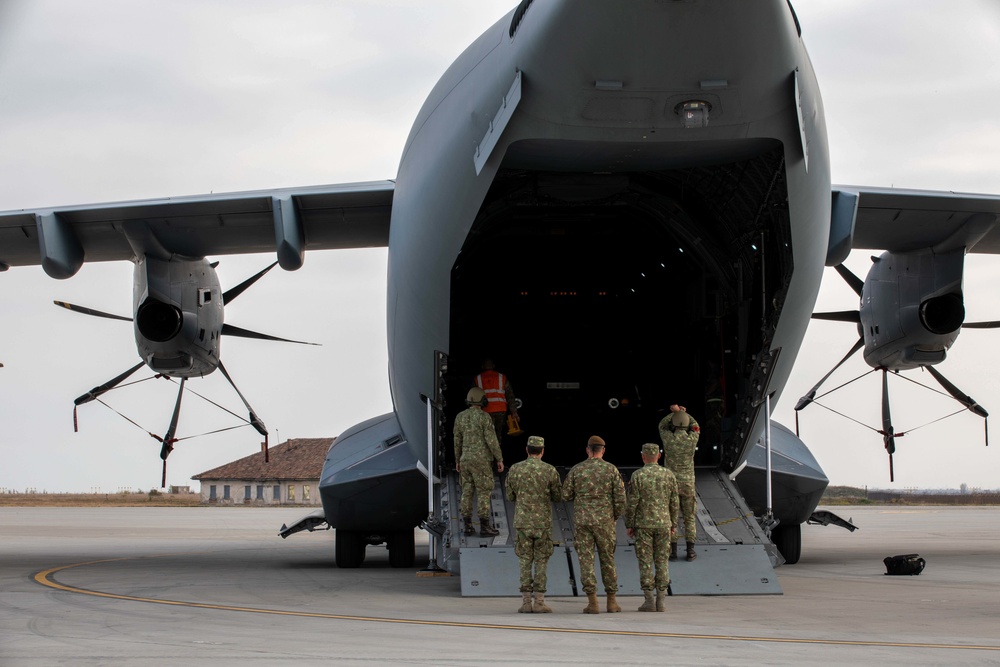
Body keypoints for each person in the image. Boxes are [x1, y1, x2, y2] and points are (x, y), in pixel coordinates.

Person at [562, 435, 627, 614]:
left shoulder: (577, 470)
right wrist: (613, 516)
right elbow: (621, 499)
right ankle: (612, 602)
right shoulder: (611, 470)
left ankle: (592, 603)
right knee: (608, 560)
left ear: (587, 450)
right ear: (603, 451)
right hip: (605, 522)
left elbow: (565, 495)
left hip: (583, 522)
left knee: (586, 561)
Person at [505, 435, 562, 613]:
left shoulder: (515, 469)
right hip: (542, 523)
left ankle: (525, 602)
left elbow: (510, 496)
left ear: (527, 450)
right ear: (542, 451)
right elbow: (557, 496)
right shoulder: (550, 470)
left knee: (524, 561)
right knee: (541, 561)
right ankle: (539, 602)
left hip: (522, 522)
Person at [625, 443, 680, 612]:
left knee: (645, 562)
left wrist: (629, 524)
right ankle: (661, 601)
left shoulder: (638, 476)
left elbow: (632, 503)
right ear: (659, 456)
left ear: (643, 456)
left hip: (643, 525)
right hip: (663, 524)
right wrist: (673, 524)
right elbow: (674, 502)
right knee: (662, 562)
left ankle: (649, 600)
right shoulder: (668, 475)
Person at [454, 387, 504, 536]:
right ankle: (484, 526)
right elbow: (492, 440)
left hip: (465, 459)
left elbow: (457, 440)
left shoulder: (460, 417)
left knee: (467, 492)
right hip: (481, 461)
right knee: (483, 492)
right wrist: (499, 458)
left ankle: (468, 526)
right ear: (483, 400)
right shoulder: (484, 417)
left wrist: (458, 459)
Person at [658, 404, 700, 561]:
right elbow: (696, 426)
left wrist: (674, 413)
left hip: (672, 483)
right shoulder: (692, 438)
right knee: (689, 516)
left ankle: (672, 551)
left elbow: (661, 425)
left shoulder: (668, 438)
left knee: (671, 517)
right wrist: (683, 412)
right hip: (688, 483)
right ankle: (690, 551)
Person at [474, 358, 518, 443]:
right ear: (493, 366)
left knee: (486, 434)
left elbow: (473, 397)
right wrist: (514, 412)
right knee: (497, 433)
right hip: (500, 410)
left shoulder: (477, 378)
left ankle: (487, 453)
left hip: (485, 411)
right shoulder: (502, 377)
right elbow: (510, 395)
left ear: (482, 367)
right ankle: (496, 452)